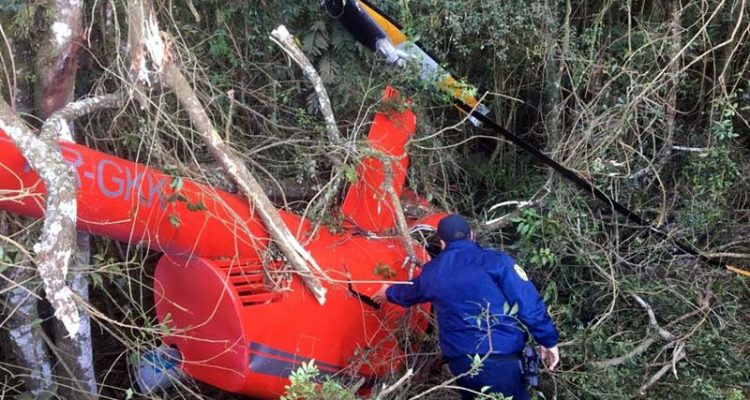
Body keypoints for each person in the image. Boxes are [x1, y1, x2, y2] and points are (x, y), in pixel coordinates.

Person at [373, 214, 560, 400]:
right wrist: (548, 340)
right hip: (502, 357)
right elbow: (527, 302)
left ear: (442, 242)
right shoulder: (496, 262)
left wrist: (387, 292)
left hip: (463, 365)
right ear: (471, 235)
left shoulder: (433, 272)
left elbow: (410, 292)